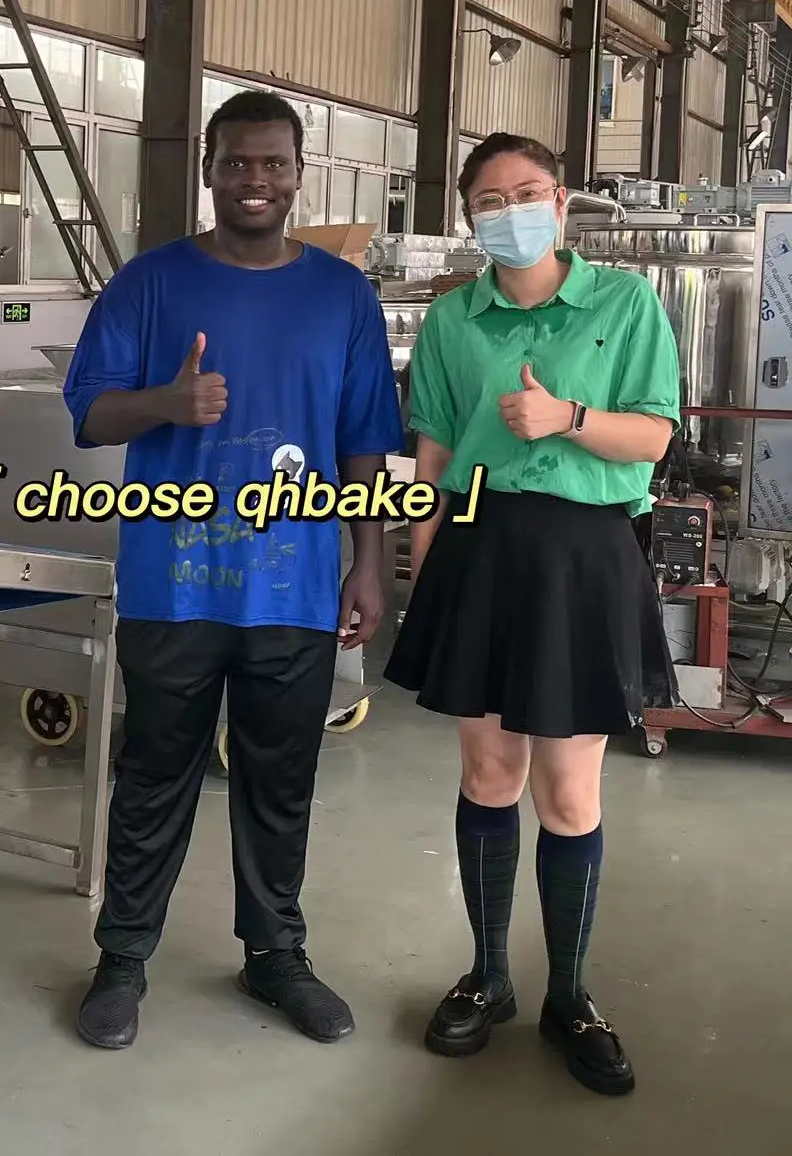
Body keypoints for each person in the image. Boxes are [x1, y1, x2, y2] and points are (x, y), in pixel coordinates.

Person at [62, 87, 405, 1051]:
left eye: (274, 163)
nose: (256, 179)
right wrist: (166, 403)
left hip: (295, 586)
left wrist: (369, 563)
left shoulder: (343, 296)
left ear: (299, 175)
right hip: (174, 583)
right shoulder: (150, 284)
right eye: (237, 162)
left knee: (278, 781)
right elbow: (89, 412)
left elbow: (365, 442)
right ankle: (122, 959)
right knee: (154, 775)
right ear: (209, 171)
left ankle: (275, 955)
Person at [384, 132, 680, 1098]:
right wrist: (424, 569)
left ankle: (571, 996)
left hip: (583, 558)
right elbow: (433, 454)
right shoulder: (452, 319)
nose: (510, 211)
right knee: (488, 773)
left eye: (528, 193)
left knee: (569, 790)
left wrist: (569, 420)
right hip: (478, 551)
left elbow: (655, 436)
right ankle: (488, 976)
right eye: (490, 199)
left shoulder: (624, 302)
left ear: (560, 203)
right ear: (470, 218)